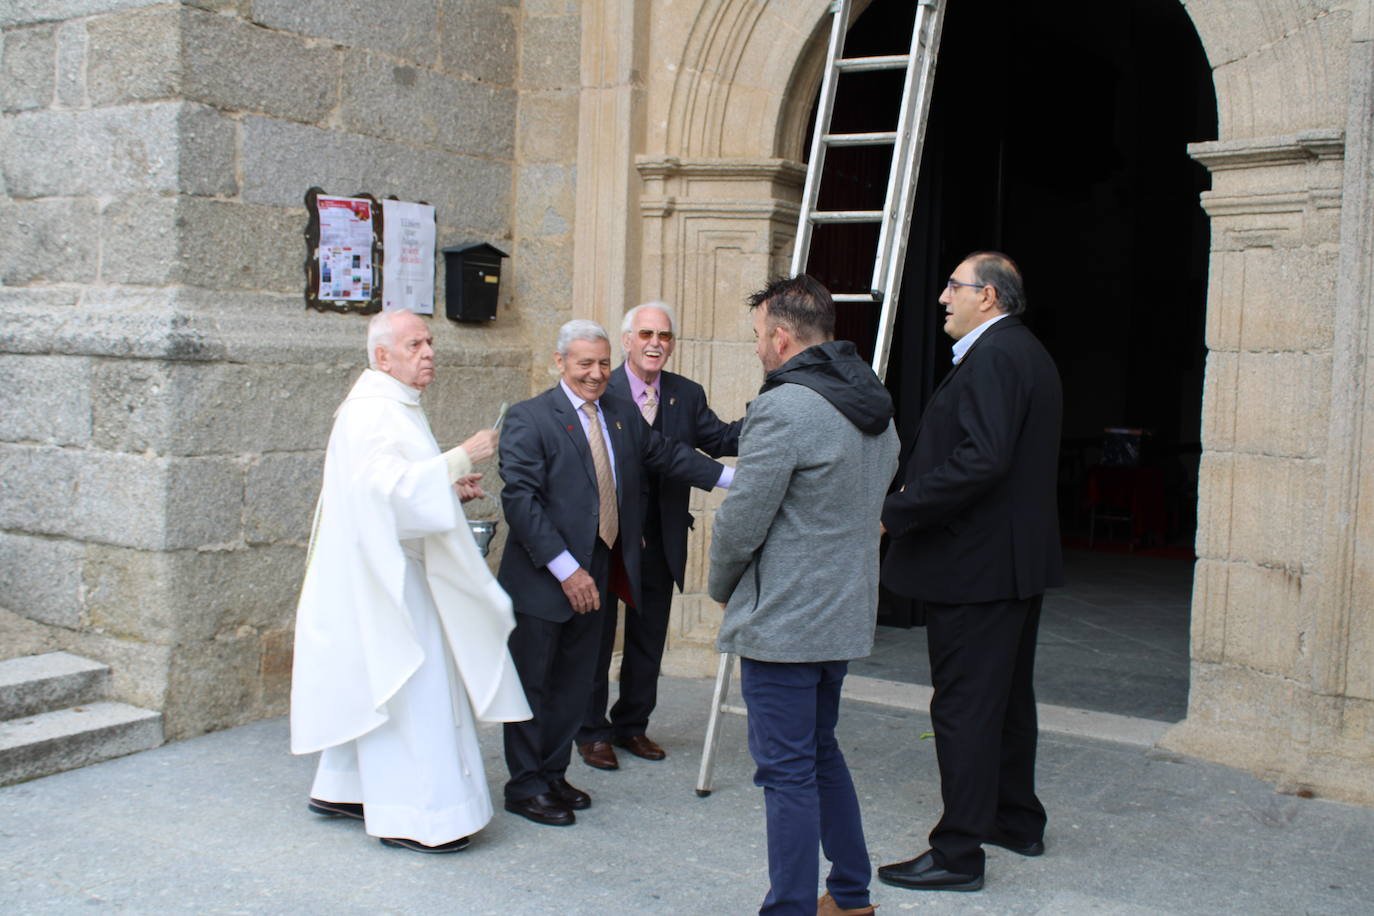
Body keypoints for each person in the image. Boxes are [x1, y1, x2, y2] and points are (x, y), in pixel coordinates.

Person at [290, 309, 531, 854]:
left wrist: (451, 485)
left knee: (384, 679)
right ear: (383, 356)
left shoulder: (390, 402)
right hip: (388, 576)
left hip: (387, 566)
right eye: (414, 344)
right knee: (414, 685)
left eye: (429, 342)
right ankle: (421, 816)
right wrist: (458, 458)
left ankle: (344, 788)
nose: (428, 353)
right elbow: (387, 496)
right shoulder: (373, 410)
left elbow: (399, 490)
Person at [709, 275, 899, 916]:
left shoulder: (785, 407)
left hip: (786, 618)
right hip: (841, 611)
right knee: (819, 755)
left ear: (782, 337)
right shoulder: (874, 407)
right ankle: (849, 895)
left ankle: (789, 908)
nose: (759, 348)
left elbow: (742, 520)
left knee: (787, 773)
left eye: (760, 336)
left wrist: (720, 586)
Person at [877, 252, 1063, 892]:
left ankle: (958, 854)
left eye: (953, 287)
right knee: (1006, 699)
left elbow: (981, 461)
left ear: (988, 296)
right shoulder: (1021, 352)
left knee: (963, 707)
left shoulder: (997, 356)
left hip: (977, 568)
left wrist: (896, 511)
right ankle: (1015, 819)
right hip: (1008, 564)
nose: (942, 299)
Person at [497, 319, 732, 827]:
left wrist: (734, 479)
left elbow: (668, 455)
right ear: (560, 362)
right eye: (584, 363)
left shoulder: (620, 413)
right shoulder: (529, 417)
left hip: (600, 572)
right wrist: (566, 569)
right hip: (546, 578)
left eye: (603, 363)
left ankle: (554, 773)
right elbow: (520, 501)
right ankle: (525, 785)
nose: (596, 374)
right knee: (534, 683)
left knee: (576, 682)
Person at [576, 301, 743, 771]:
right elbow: (648, 454)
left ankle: (632, 726)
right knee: (599, 635)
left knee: (649, 639)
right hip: (608, 538)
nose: (655, 343)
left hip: (662, 537)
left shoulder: (685, 394)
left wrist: (776, 418)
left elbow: (720, 436)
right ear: (627, 340)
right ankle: (590, 732)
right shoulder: (600, 393)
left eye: (665, 336)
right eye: (646, 334)